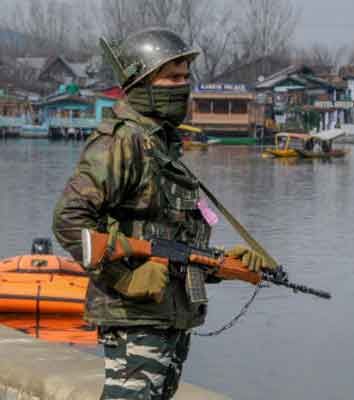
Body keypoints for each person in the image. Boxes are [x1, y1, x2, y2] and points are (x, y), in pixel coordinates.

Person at [52, 28, 272, 399]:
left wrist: (220, 265)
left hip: (168, 316)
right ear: (141, 81)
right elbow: (70, 221)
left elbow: (168, 245)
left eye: (186, 77)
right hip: (134, 316)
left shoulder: (162, 145)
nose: (182, 86)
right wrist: (125, 277)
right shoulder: (122, 141)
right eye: (172, 77)